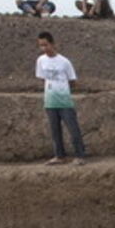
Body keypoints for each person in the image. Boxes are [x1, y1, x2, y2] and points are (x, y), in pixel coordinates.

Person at [35, 31, 86, 165]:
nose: (44, 48)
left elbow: (72, 81)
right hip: (50, 100)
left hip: (64, 100)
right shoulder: (41, 61)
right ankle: (59, 155)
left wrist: (62, 89)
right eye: (41, 46)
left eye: (46, 45)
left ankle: (80, 155)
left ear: (52, 44)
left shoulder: (64, 62)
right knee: (55, 129)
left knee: (72, 128)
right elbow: (42, 78)